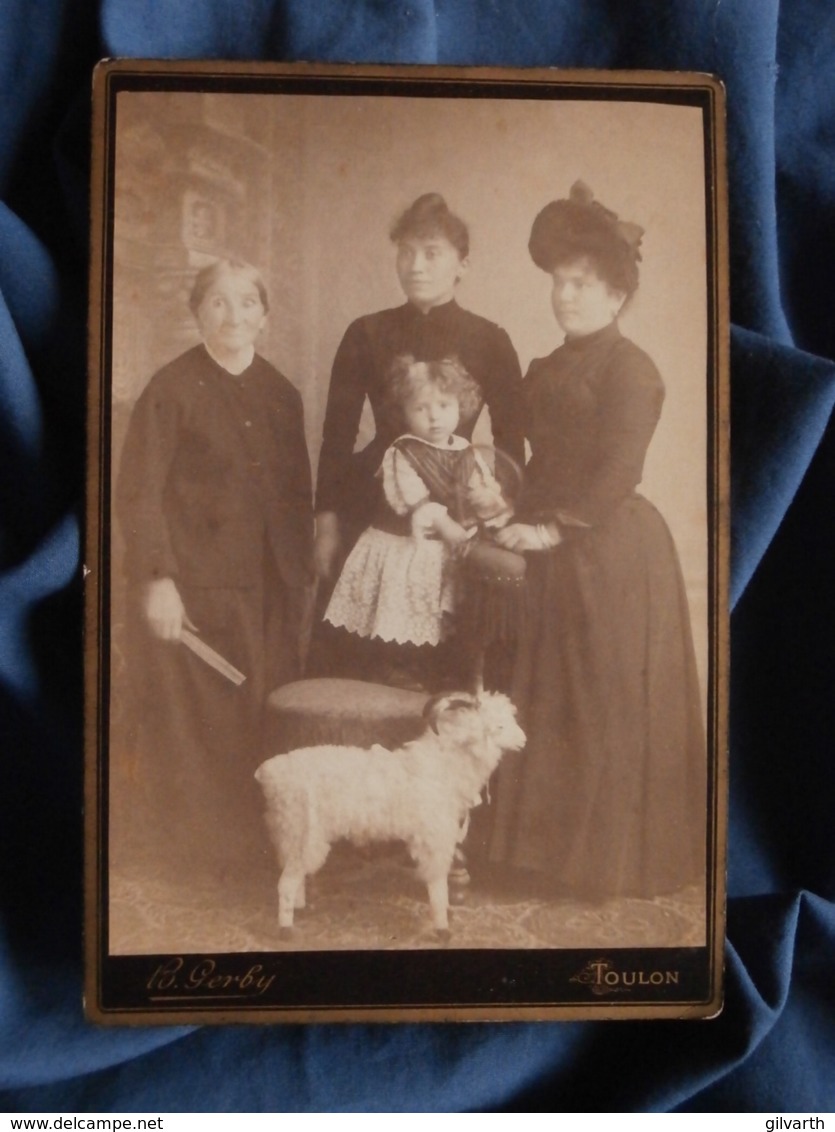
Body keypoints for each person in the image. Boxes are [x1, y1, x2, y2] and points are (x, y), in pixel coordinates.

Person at [486, 182, 706, 900]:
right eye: (558, 283)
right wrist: (499, 499)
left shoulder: (631, 369)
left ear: (615, 297)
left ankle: (597, 868)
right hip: (542, 542)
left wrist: (550, 528)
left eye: (580, 285)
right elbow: (516, 454)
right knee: (541, 697)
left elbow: (620, 470)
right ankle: (535, 858)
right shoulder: (545, 368)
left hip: (608, 549)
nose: (565, 296)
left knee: (594, 699)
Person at [115, 257, 314, 871]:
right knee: (199, 726)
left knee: (261, 717)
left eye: (247, 302)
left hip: (268, 589)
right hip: (193, 589)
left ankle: (256, 850)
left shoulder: (282, 392)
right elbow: (138, 492)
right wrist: (158, 582)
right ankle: (199, 858)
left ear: (265, 314)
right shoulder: (170, 389)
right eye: (219, 303)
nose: (233, 315)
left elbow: (294, 492)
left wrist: (302, 573)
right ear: (198, 312)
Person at [313, 192, 525, 593]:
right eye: (406, 253)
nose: (416, 267)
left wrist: (498, 507)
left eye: (431, 253)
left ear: (462, 264)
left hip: (459, 507)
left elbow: (511, 438)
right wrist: (326, 524)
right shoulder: (366, 333)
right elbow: (335, 439)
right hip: (373, 504)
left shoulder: (490, 340)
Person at [322, 355, 512, 688]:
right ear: (404, 413)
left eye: (443, 405)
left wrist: (487, 501)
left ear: (461, 406)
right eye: (421, 409)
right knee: (407, 608)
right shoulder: (403, 452)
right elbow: (415, 502)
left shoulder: (467, 451)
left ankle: (438, 670)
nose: (434, 417)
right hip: (411, 545)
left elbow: (477, 491)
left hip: (450, 546)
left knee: (440, 615)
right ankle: (398, 667)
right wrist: (449, 528)